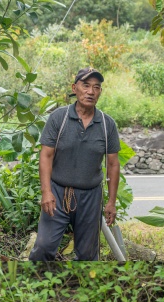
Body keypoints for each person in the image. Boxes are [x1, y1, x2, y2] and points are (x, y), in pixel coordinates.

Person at [29, 68, 121, 261]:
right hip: (57, 193)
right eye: (86, 86)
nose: (91, 91)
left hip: (90, 196)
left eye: (96, 87)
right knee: (44, 247)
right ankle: (36, 286)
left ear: (100, 92)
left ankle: (78, 289)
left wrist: (111, 201)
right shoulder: (59, 118)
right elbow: (46, 156)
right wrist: (46, 192)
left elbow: (113, 164)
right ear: (75, 88)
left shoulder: (107, 124)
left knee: (88, 254)